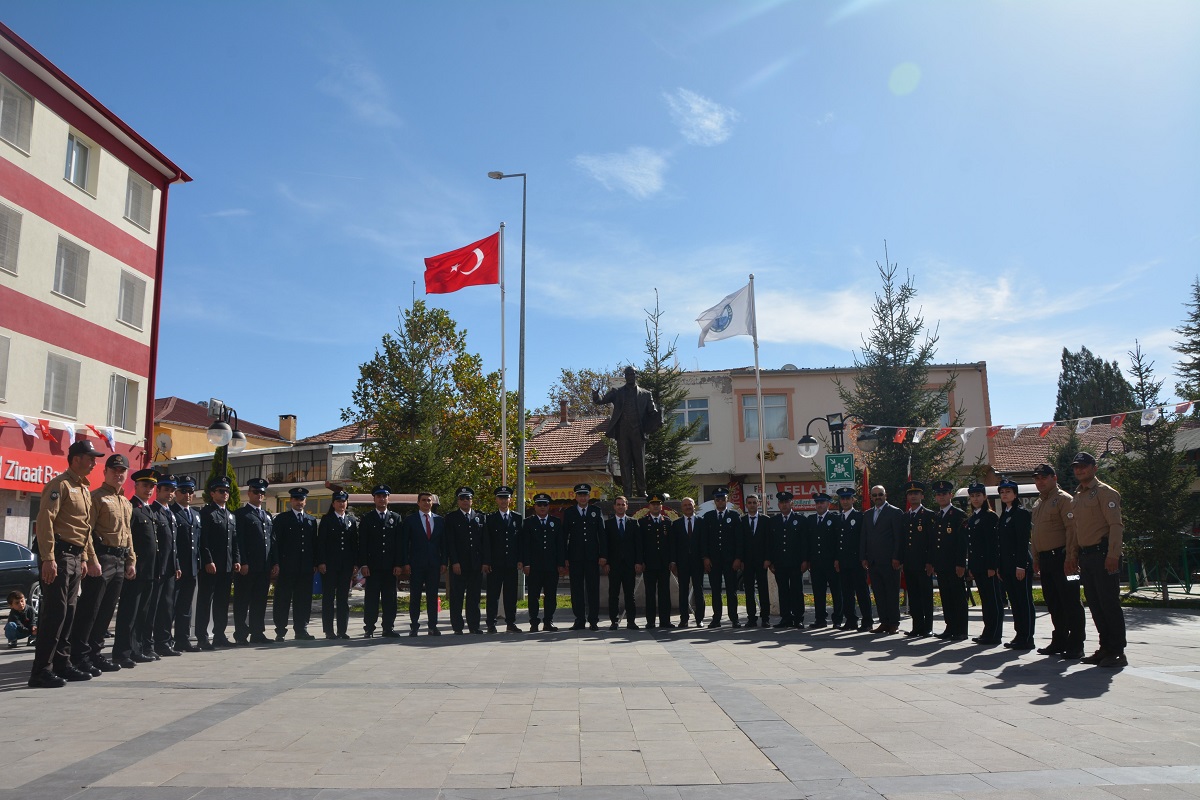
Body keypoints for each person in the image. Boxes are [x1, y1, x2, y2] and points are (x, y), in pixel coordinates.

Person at [29, 438, 102, 688]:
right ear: (75, 459)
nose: (94, 462)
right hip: (58, 556)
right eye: (90, 457)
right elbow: (45, 521)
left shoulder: (82, 489)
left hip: (73, 556)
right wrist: (48, 557)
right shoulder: (59, 485)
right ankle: (41, 671)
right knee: (54, 614)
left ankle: (62, 664)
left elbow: (85, 529)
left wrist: (85, 557)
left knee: (69, 613)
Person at [70, 453, 132, 674]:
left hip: (118, 559)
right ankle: (79, 656)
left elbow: (128, 534)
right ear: (105, 472)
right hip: (101, 559)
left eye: (122, 470)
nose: (118, 474)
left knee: (106, 611)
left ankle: (95, 654)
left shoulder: (125, 501)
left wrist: (130, 560)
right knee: (90, 610)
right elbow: (87, 532)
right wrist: (92, 560)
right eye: (114, 470)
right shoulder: (96, 497)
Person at [1067, 452, 1128, 668]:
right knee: (1095, 604)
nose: (1079, 470)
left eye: (1084, 466)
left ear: (1094, 468)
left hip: (1103, 555)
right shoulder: (1078, 496)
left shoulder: (1105, 493)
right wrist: (1072, 555)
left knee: (1109, 603)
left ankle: (1118, 651)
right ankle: (1105, 647)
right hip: (1087, 556)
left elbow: (1115, 526)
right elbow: (1076, 530)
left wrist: (1113, 554)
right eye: (1076, 467)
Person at [1031, 463, 1086, 660]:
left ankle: (1076, 643)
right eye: (1037, 478)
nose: (1040, 481)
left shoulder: (1063, 500)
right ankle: (1060, 639)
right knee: (1053, 602)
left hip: (1064, 560)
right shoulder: (1038, 504)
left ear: (1054, 478)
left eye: (1044, 477)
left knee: (1071, 601)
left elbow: (1072, 530)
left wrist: (1071, 558)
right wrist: (1036, 558)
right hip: (1047, 561)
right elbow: (1036, 535)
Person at [591, 366, 663, 498]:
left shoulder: (646, 394)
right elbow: (601, 401)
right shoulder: (617, 392)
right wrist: (596, 396)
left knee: (639, 463)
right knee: (625, 463)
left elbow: (652, 411)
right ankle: (627, 493)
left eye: (632, 374)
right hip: (623, 432)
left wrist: (659, 415)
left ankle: (642, 491)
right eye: (628, 374)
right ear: (625, 376)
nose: (630, 376)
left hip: (638, 432)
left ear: (636, 375)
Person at [113, 469, 160, 667]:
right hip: (135, 570)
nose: (148, 489)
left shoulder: (148, 509)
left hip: (149, 571)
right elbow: (127, 538)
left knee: (143, 613)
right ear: (136, 486)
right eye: (145, 485)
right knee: (129, 614)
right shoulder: (132, 508)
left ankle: (137, 648)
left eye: (151, 486)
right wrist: (128, 564)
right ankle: (123, 652)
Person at [196, 476, 241, 650]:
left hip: (227, 565)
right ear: (212, 493)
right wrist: (208, 560)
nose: (225, 494)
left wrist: (236, 560)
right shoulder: (206, 513)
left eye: (227, 491)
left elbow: (234, 540)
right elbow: (203, 540)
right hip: (211, 566)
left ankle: (220, 635)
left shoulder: (230, 515)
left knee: (222, 602)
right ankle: (202, 637)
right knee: (205, 601)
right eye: (221, 491)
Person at [232, 478, 274, 646]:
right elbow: (238, 541)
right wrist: (242, 561)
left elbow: (272, 540)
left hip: (263, 566)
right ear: (249, 493)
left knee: (260, 601)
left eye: (262, 492)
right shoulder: (241, 514)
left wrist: (275, 562)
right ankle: (241, 633)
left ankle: (257, 633)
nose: (259, 495)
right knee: (242, 601)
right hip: (248, 566)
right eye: (256, 492)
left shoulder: (267, 515)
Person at [271, 487, 317, 641]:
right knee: (282, 600)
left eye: (301, 499)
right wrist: (276, 563)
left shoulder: (311, 520)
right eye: (296, 499)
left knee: (303, 600)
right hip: (287, 567)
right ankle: (280, 630)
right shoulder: (282, 519)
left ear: (305, 501)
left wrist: (315, 563)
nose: (299, 502)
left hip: (305, 568)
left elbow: (313, 544)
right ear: (291, 501)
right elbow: (275, 543)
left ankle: (301, 629)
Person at [997, 477, 1034, 650]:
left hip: (1019, 564)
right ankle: (1019, 634)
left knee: (1024, 601)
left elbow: (1022, 542)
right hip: (1007, 565)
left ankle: (1027, 637)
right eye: (1002, 492)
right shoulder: (1005, 514)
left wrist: (1021, 565)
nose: (1004, 495)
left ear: (1015, 494)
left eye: (1008, 492)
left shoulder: (1020, 513)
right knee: (1015, 601)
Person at [860, 484, 903, 635]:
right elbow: (864, 537)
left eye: (880, 494)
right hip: (873, 561)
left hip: (890, 561)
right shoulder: (867, 514)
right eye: (875, 495)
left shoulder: (895, 512)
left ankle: (893, 623)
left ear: (886, 495)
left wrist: (897, 557)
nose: (877, 497)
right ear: (871, 497)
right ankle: (883, 622)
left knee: (891, 593)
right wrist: (863, 557)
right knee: (878, 593)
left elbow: (898, 537)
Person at [563, 483, 606, 631]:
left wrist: (603, 555)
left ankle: (593, 619)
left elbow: (602, 535)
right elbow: (564, 537)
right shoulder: (569, 512)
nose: (582, 497)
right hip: (575, 558)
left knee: (593, 589)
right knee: (577, 589)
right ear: (576, 497)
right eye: (580, 495)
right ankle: (579, 619)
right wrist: (565, 557)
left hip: (592, 558)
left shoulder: (596, 511)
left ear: (589, 496)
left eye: (585, 495)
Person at [929, 480, 968, 641]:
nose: (941, 497)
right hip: (942, 565)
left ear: (950, 495)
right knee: (946, 597)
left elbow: (961, 542)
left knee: (958, 597)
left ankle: (961, 629)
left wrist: (960, 564)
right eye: (938, 494)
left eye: (944, 494)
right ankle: (950, 627)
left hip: (954, 565)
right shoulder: (937, 516)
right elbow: (934, 542)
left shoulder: (958, 515)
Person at [316, 489, 358, 640]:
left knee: (343, 599)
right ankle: (329, 630)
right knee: (328, 599)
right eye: (339, 501)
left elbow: (354, 544)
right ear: (333, 504)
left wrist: (355, 563)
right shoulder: (327, 520)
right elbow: (321, 543)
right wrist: (321, 562)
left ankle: (342, 630)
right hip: (329, 566)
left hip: (345, 566)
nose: (341, 504)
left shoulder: (351, 521)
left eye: (344, 501)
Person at [147, 474, 181, 657]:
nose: (169, 493)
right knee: (154, 608)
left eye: (172, 490)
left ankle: (164, 642)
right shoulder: (153, 511)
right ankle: (149, 644)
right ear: (158, 490)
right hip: (157, 567)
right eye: (166, 489)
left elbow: (173, 543)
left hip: (169, 568)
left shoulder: (170, 513)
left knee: (167, 607)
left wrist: (176, 565)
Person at [445, 487, 486, 635]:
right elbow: (450, 542)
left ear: (471, 500)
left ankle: (474, 625)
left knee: (474, 597)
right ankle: (457, 626)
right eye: (462, 498)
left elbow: (483, 542)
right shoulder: (451, 518)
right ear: (458, 501)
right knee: (457, 596)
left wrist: (484, 561)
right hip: (459, 565)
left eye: (468, 498)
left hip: (475, 564)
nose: (465, 501)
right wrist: (454, 561)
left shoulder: (480, 517)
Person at [520, 493, 564, 632]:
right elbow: (525, 545)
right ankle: (534, 622)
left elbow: (560, 545)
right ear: (535, 506)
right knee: (533, 595)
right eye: (539, 504)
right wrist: (526, 563)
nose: (542, 507)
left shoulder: (555, 522)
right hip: (534, 566)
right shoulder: (528, 522)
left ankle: (548, 621)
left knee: (551, 595)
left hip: (551, 566)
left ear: (549, 506)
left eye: (545, 504)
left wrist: (561, 563)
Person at [966, 483, 1002, 645]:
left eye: (978, 495)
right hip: (978, 566)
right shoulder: (973, 517)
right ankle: (987, 631)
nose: (975, 499)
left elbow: (992, 544)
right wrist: (972, 567)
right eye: (972, 496)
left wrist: (991, 567)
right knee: (985, 601)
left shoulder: (990, 516)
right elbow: (972, 545)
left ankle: (994, 633)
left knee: (993, 601)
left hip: (988, 567)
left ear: (985, 497)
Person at [404, 490, 445, 635]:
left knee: (432, 596)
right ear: (418, 503)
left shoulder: (439, 520)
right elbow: (405, 543)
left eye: (429, 500)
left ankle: (432, 626)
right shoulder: (410, 520)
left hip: (434, 564)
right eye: (424, 500)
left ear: (432, 503)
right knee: (415, 596)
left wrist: (443, 562)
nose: (427, 503)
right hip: (416, 564)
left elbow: (443, 544)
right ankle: (414, 625)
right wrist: (406, 563)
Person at [484, 486, 523, 634]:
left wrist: (520, 559)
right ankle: (491, 623)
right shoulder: (490, 518)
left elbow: (520, 541)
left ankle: (510, 623)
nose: (503, 501)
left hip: (511, 563)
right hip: (495, 563)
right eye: (500, 498)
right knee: (493, 595)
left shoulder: (517, 517)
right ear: (496, 500)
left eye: (506, 498)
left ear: (510, 500)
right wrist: (486, 562)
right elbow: (487, 542)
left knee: (511, 595)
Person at [702, 488, 743, 628]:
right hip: (714, 561)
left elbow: (739, 539)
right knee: (715, 590)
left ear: (727, 500)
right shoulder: (708, 517)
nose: (720, 502)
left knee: (731, 591)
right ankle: (716, 618)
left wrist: (738, 558)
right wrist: (706, 558)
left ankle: (734, 618)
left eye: (723, 499)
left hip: (730, 561)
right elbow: (705, 539)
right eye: (718, 499)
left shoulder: (734, 516)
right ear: (714, 501)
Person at [170, 478, 203, 651]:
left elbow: (198, 543)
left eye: (190, 492)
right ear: (176, 493)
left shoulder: (196, 514)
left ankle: (183, 639)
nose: (187, 495)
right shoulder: (172, 512)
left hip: (191, 567)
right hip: (177, 567)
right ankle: (166, 640)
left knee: (186, 606)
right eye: (183, 491)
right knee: (170, 606)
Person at [834, 488, 872, 632]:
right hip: (843, 562)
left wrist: (864, 558)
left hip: (857, 561)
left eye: (847, 498)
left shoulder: (860, 517)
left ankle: (867, 621)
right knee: (847, 593)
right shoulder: (839, 518)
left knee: (862, 592)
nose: (844, 501)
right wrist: (837, 558)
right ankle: (851, 620)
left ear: (853, 500)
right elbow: (837, 541)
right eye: (842, 499)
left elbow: (864, 539)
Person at [767, 491, 806, 628]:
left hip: (795, 563)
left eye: (786, 502)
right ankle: (786, 618)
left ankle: (798, 618)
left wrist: (805, 560)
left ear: (792, 503)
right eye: (781, 502)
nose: (784, 505)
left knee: (796, 591)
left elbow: (804, 542)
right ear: (778, 504)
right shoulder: (774, 521)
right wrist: (771, 562)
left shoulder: (800, 520)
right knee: (783, 591)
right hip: (780, 563)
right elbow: (770, 543)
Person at [603, 495, 641, 630]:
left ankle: (631, 621)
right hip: (613, 565)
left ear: (627, 506)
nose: (620, 506)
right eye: (618, 504)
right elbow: (605, 545)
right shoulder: (608, 524)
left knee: (629, 594)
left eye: (622, 504)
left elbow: (638, 545)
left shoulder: (633, 523)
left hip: (629, 565)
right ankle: (614, 621)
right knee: (613, 593)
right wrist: (606, 562)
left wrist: (638, 562)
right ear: (614, 507)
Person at [806, 491, 841, 630]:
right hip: (816, 563)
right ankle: (820, 619)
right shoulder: (810, 519)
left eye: (822, 502)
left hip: (831, 563)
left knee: (836, 592)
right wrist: (808, 560)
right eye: (817, 503)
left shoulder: (835, 518)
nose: (819, 505)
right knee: (818, 592)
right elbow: (808, 542)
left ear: (828, 504)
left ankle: (837, 619)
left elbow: (839, 541)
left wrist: (837, 558)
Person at [671, 497, 705, 628]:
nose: (687, 507)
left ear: (694, 506)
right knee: (683, 591)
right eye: (685, 505)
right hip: (682, 563)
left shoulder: (701, 522)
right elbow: (673, 545)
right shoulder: (677, 524)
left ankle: (699, 619)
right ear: (682, 508)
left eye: (689, 504)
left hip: (697, 562)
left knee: (699, 590)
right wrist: (673, 562)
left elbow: (704, 542)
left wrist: (705, 558)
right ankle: (684, 619)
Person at [741, 494, 771, 628]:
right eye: (749, 503)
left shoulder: (766, 520)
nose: (752, 505)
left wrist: (768, 559)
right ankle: (751, 618)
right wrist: (740, 559)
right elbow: (738, 542)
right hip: (747, 562)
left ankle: (765, 618)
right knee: (748, 590)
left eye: (754, 502)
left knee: (763, 589)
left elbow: (769, 541)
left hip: (762, 561)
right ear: (746, 505)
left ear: (758, 504)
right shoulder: (741, 521)